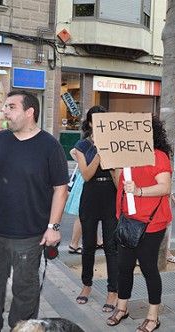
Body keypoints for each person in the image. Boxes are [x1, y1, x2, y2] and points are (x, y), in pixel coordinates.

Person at [0, 90, 69, 331]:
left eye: (11, 107)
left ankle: (20, 329)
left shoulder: (50, 146)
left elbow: (60, 190)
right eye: (5, 107)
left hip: (30, 237)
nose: (5, 112)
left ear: (29, 112)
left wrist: (53, 227)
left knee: (25, 292)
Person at [106, 116, 172, 332]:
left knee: (148, 268)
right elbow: (119, 186)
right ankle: (122, 307)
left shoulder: (159, 156)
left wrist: (140, 191)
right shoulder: (126, 156)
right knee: (123, 267)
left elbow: (165, 187)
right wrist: (115, 167)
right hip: (128, 220)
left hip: (152, 223)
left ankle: (153, 316)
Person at [74, 106, 119, 312]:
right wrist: (101, 155)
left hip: (110, 196)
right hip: (90, 196)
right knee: (88, 244)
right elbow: (86, 175)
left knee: (111, 246)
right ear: (91, 123)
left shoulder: (115, 143)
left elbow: (118, 180)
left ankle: (113, 291)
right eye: (97, 120)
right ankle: (86, 285)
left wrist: (115, 163)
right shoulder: (82, 145)